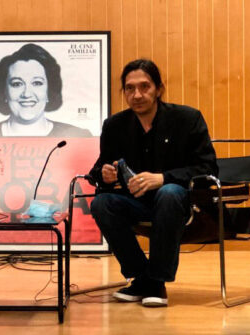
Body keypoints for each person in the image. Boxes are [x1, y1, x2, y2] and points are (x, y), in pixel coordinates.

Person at [87, 59, 217, 307]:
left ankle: (157, 280)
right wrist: (103, 174)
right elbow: (99, 168)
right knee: (102, 203)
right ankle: (142, 276)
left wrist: (163, 178)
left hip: (181, 204)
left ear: (159, 89)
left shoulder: (187, 119)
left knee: (168, 192)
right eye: (129, 88)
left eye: (144, 87)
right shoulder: (115, 126)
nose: (137, 95)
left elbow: (208, 168)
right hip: (137, 203)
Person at [0, 43, 92, 137]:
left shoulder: (78, 136)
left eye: (37, 83)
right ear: (4, 91)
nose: (27, 94)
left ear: (49, 90)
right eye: (16, 84)